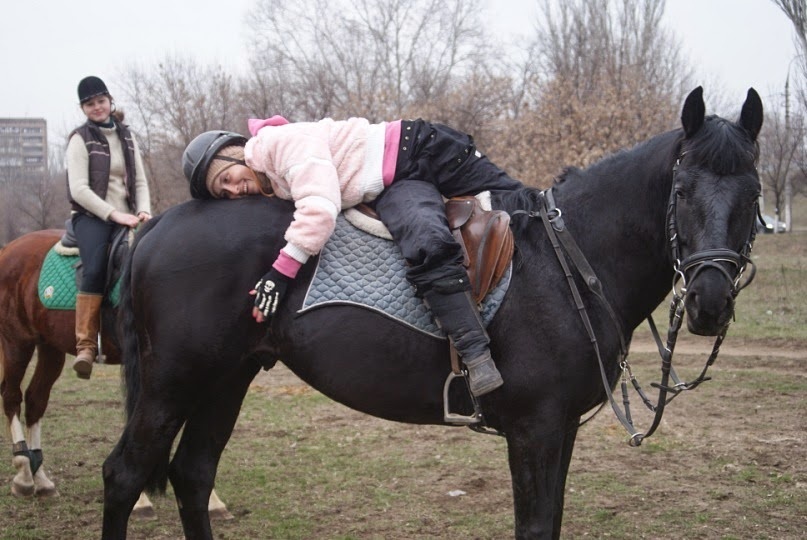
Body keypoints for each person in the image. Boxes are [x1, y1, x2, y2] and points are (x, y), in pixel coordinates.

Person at [182, 117, 522, 396]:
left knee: (519, 205)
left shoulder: (281, 144)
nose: (233, 190)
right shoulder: (270, 182)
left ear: (238, 154)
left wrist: (280, 273)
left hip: (420, 150)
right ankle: (476, 355)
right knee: (427, 242)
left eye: (228, 178)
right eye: (222, 192)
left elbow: (320, 207)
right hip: (392, 186)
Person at [66, 75, 152, 379]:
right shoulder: (80, 139)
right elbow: (78, 189)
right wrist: (114, 214)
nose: (97, 107)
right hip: (92, 217)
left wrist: (143, 210)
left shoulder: (126, 135)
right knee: (95, 267)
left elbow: (139, 180)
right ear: (83, 107)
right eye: (90, 103)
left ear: (109, 100)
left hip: (130, 215)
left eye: (101, 101)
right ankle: (86, 346)